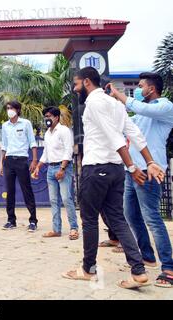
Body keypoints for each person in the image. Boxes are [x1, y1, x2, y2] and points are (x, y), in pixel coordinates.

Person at [62, 67, 165, 289]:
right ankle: (138, 271)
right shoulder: (116, 104)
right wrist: (149, 161)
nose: (75, 88)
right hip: (115, 170)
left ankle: (88, 269)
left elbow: (114, 135)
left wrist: (132, 165)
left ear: (87, 82)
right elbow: (134, 133)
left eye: (77, 84)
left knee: (89, 220)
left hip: (97, 168)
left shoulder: (95, 102)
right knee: (118, 218)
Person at [107, 72, 173, 288]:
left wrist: (119, 94)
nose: (138, 89)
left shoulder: (164, 106)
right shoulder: (142, 113)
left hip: (150, 172)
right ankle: (147, 256)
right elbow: (127, 121)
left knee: (152, 218)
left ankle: (169, 268)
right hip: (133, 170)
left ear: (151, 88)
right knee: (130, 214)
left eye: (141, 85)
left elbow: (140, 108)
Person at [34, 107, 79, 240]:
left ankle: (74, 228)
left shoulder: (64, 130)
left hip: (63, 167)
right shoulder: (47, 133)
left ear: (56, 117)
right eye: (45, 117)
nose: (47, 119)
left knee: (66, 198)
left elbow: (68, 151)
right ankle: (56, 229)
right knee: (53, 200)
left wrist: (62, 169)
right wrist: (38, 166)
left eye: (49, 116)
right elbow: (46, 153)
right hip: (51, 168)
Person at [0, 101, 38, 232]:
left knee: (26, 190)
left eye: (11, 108)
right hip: (8, 161)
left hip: (22, 160)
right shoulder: (5, 126)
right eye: (7, 108)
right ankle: (11, 220)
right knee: (9, 191)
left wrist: (34, 160)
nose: (9, 110)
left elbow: (32, 142)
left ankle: (33, 221)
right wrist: (1, 164)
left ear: (18, 110)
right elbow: (4, 145)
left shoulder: (26, 123)